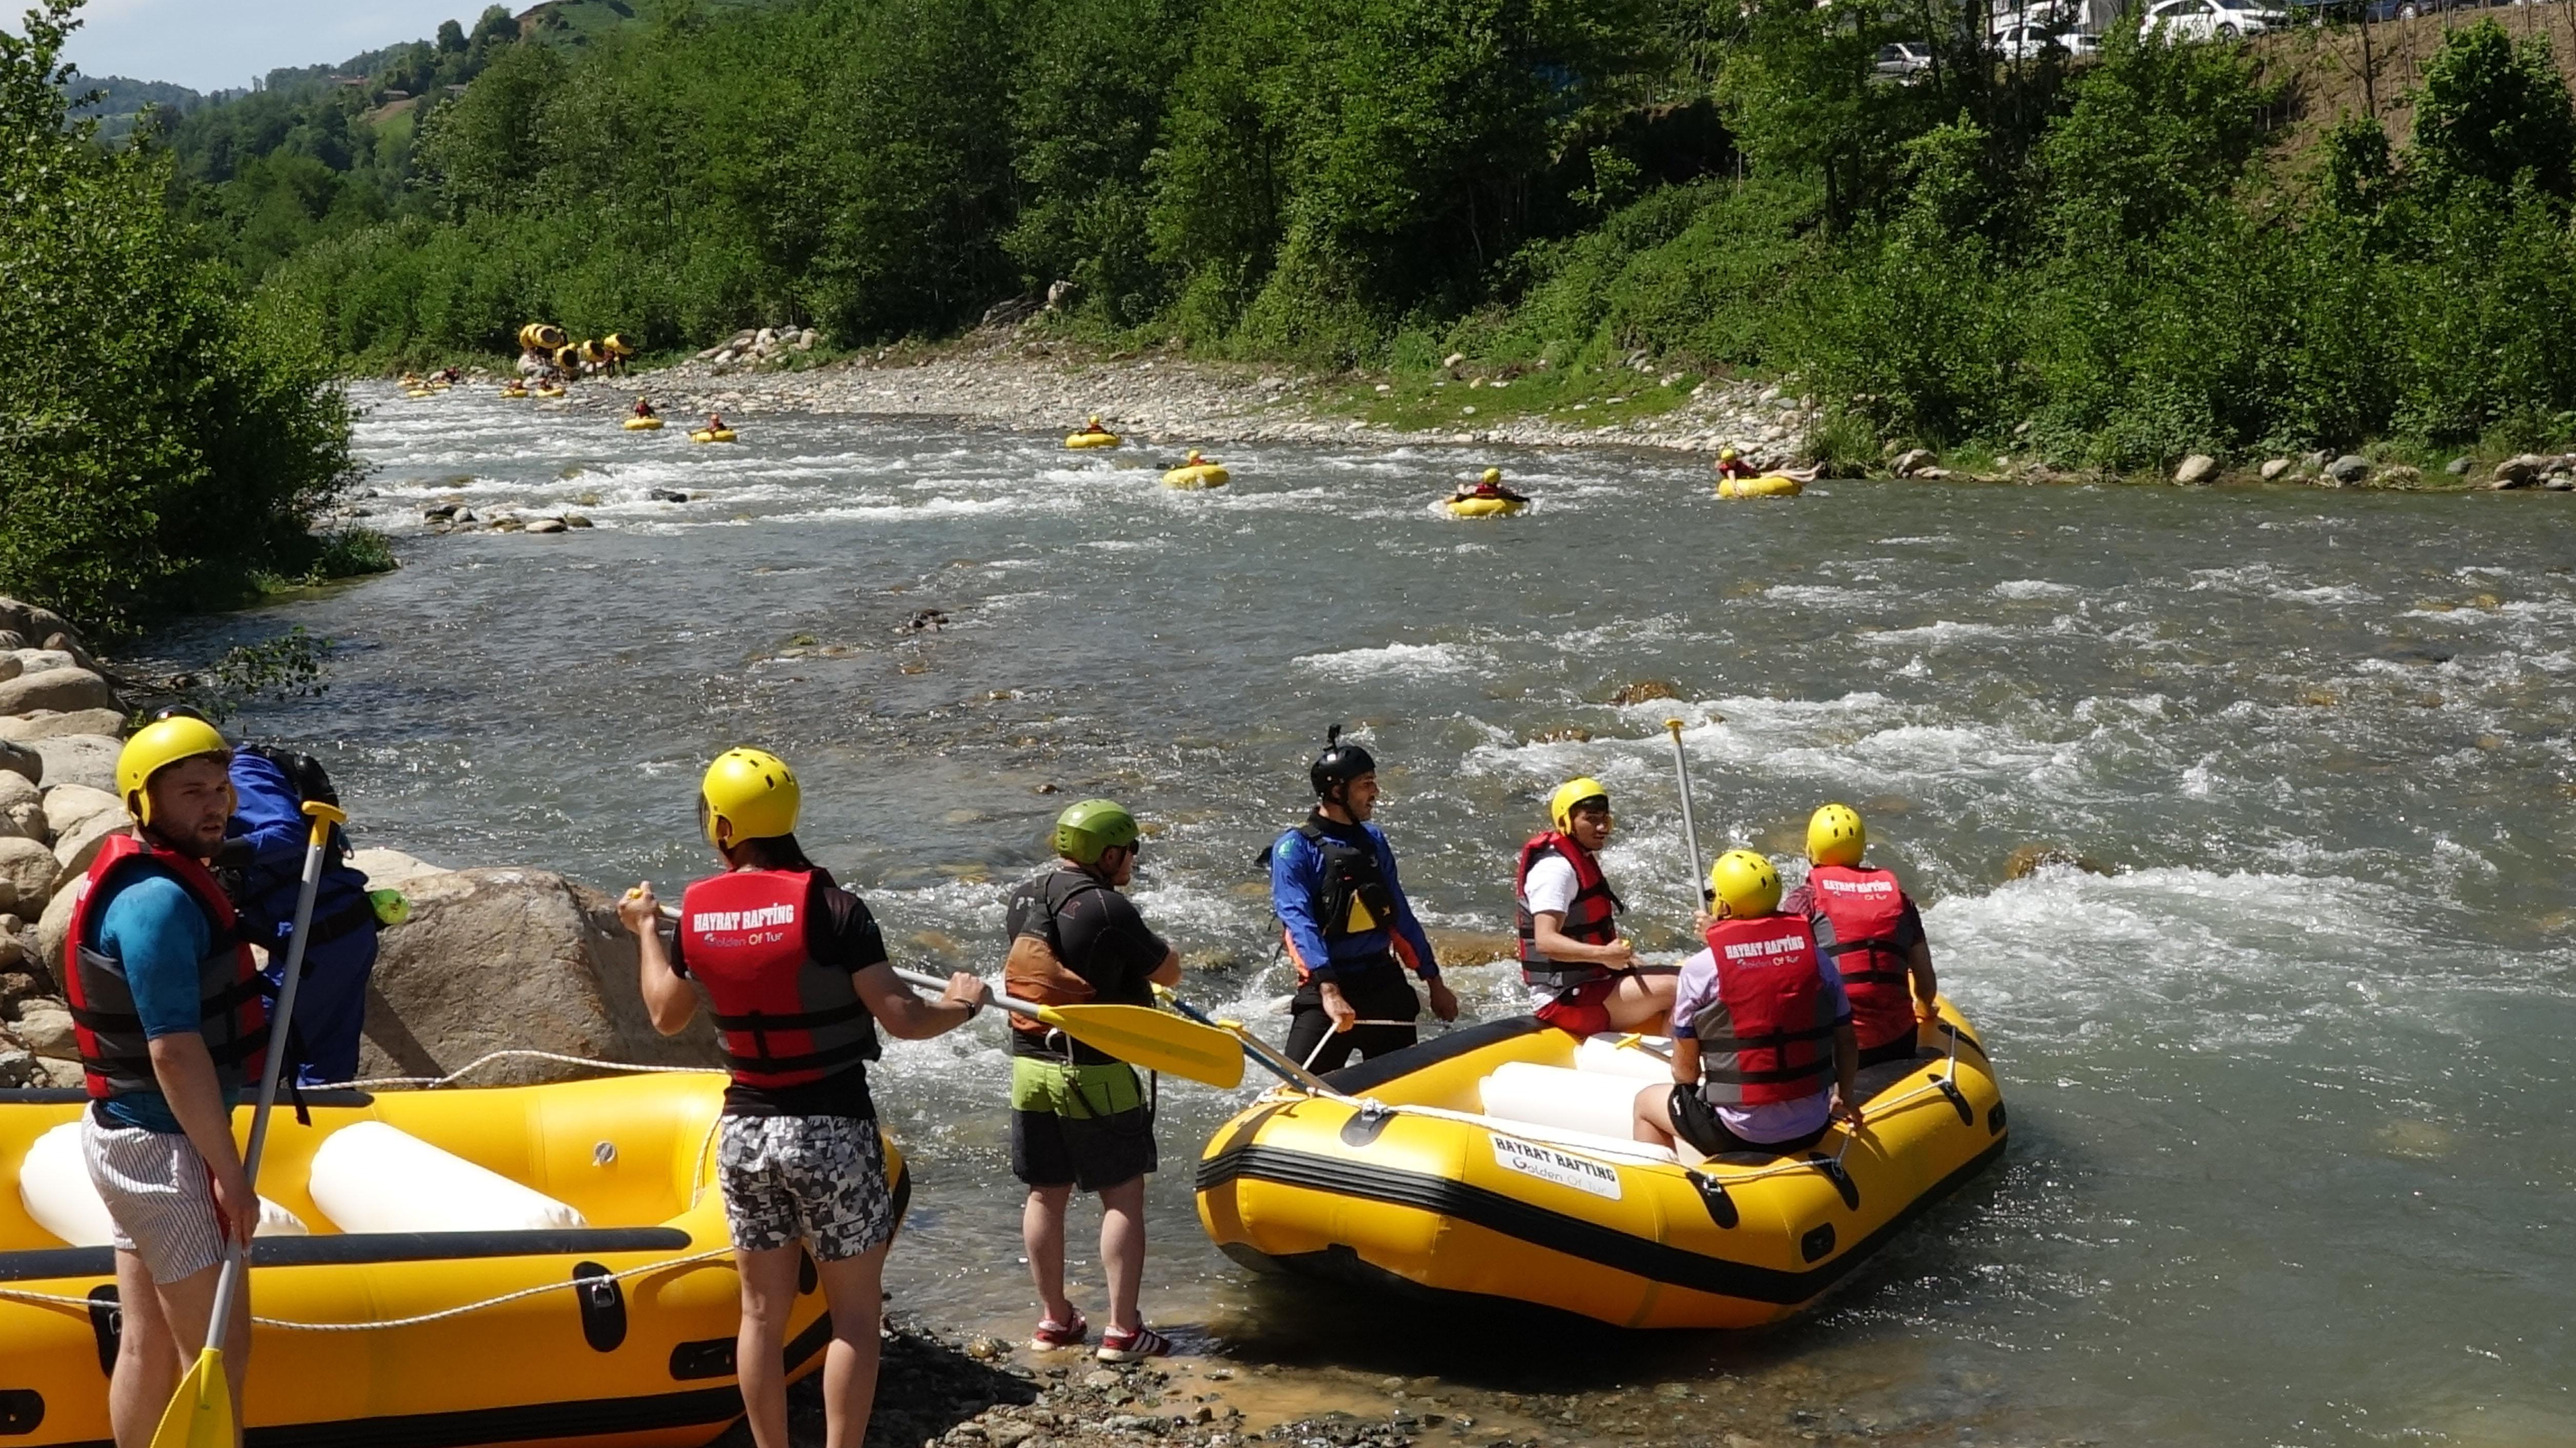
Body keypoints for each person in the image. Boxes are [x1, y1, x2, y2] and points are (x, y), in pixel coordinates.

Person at [617, 748, 989, 1448]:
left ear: (724, 827)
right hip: (833, 1133)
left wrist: (645, 930)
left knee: (761, 1315)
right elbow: (904, 1019)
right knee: (854, 1318)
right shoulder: (835, 909)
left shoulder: (696, 915)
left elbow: (666, 1013)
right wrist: (962, 1004)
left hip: (747, 1136)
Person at [67, 716, 271, 1446]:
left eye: (219, 788)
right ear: (142, 803)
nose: (215, 805)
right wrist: (230, 1177)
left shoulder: (161, 878)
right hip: (161, 1151)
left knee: (148, 1344)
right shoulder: (156, 901)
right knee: (217, 1354)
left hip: (130, 1135)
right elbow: (175, 1054)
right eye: (191, 793)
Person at [1002, 799, 1184, 1361]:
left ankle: (1055, 1319)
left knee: (1045, 1192)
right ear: (1107, 855)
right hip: (1096, 1070)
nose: (1133, 859)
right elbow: (1168, 971)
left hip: (1029, 1066)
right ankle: (1123, 1330)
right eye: (1130, 850)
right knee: (1122, 1195)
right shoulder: (1108, 907)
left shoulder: (1023, 896)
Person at [1633, 849, 1862, 1158]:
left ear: (1724, 906)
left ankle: (1673, 1183)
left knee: (1645, 1103)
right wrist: (1845, 1096)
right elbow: (1846, 1041)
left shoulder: (1701, 968)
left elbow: (1685, 1072)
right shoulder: (1817, 959)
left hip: (1739, 1132)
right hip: (1814, 1124)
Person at [1265, 726, 1458, 1071]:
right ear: (1337, 791)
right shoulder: (1293, 849)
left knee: (1403, 1085)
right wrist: (1330, 992)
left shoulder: (1373, 840)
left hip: (1382, 980)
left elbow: (1399, 915)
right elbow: (1299, 924)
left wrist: (1434, 981)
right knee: (1297, 1087)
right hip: (1327, 987)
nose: (1376, 793)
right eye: (1366, 784)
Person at [1516, 777, 1673, 1036]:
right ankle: (1682, 1061)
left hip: (1591, 983)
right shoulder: (1555, 871)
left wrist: (1618, 960)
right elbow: (1546, 942)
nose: (1602, 827)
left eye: (1605, 819)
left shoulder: (1580, 858)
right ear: (1567, 822)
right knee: (1685, 988)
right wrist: (1604, 955)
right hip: (1563, 1000)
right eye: (1590, 819)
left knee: (1690, 977)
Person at [1784, 803, 1937, 1070]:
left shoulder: (1805, 900)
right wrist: (1925, 1008)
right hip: (1898, 1043)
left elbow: (1786, 980)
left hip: (1836, 1051)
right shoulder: (1900, 899)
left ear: (1811, 849)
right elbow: (1925, 982)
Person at [1714, 446, 1820, 484]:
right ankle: (1806, 480)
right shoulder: (1730, 471)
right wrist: (1738, 491)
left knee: (1782, 471)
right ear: (1727, 462)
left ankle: (1809, 472)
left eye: (1734, 458)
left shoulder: (1734, 465)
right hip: (1754, 480)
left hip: (1757, 476)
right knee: (1779, 473)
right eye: (1731, 460)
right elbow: (1733, 482)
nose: (1734, 461)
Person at [1449, 467, 1528, 504]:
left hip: (1474, 494)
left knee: (1462, 485)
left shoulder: (1474, 490)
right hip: (1495, 494)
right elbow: (1514, 497)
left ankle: (1461, 492)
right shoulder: (1499, 492)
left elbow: (1461, 497)